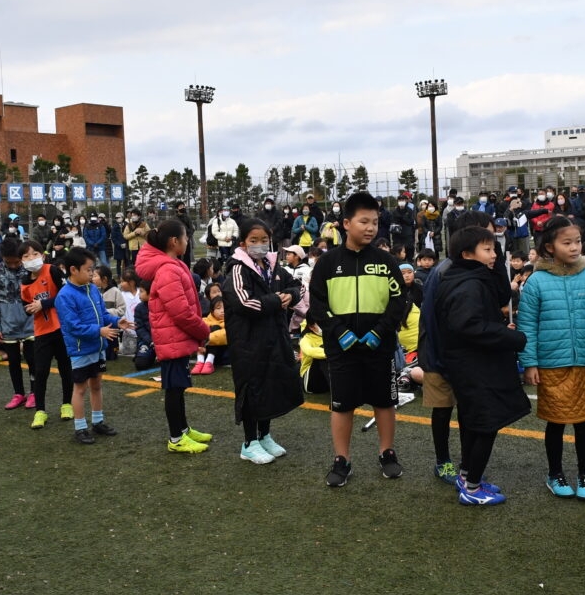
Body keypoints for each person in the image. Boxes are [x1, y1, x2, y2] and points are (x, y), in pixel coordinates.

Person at [307, 191, 409, 487]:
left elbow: (399, 300)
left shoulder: (386, 261)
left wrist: (379, 331)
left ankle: (387, 452)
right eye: (364, 221)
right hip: (342, 349)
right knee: (342, 405)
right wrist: (340, 332)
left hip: (380, 348)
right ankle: (342, 459)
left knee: (384, 402)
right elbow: (317, 303)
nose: (370, 228)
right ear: (346, 223)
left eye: (375, 222)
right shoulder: (327, 262)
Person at [426, 225, 528, 505]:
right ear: (467, 254)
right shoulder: (468, 283)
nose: (494, 254)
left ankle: (467, 476)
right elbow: (469, 325)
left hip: (469, 364)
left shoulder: (467, 277)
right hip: (474, 366)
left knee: (475, 423)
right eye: (487, 249)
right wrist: (511, 337)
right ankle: (471, 489)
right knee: (486, 423)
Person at [518, 215, 585, 499]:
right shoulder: (536, 281)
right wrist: (530, 362)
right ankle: (555, 473)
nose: (574, 247)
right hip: (551, 364)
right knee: (556, 422)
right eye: (567, 243)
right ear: (550, 247)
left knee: (584, 422)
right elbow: (527, 325)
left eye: (578, 242)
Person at [222, 217, 304, 463]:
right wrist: (277, 300)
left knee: (270, 386)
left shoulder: (272, 266)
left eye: (264, 240)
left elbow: (298, 286)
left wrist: (290, 295)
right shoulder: (238, 269)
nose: (259, 245)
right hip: (247, 342)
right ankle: (249, 442)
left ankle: (264, 435)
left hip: (274, 337)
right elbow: (244, 303)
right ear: (243, 243)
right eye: (253, 240)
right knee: (251, 388)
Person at [136, 218, 215, 453]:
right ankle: (176, 438)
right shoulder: (168, 269)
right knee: (173, 389)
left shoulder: (171, 265)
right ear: (174, 241)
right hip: (171, 339)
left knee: (178, 387)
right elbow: (181, 312)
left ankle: (183, 429)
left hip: (175, 338)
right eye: (185, 237)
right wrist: (203, 330)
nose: (187, 241)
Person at [55, 247, 123, 444]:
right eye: (88, 269)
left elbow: (103, 315)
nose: (92, 273)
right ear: (73, 270)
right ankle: (80, 428)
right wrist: (99, 331)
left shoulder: (92, 289)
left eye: (93, 269)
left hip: (97, 347)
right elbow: (73, 327)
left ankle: (98, 421)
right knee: (80, 389)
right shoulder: (64, 296)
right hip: (80, 350)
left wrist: (118, 322)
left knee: (96, 384)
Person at [19, 239, 75, 429]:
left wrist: (43, 304)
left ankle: (67, 404)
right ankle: (40, 411)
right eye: (26, 256)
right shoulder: (24, 283)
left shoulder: (52, 271)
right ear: (21, 261)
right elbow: (26, 307)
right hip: (42, 331)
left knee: (65, 368)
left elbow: (66, 294)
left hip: (61, 328)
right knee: (40, 371)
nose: (31, 258)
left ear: (42, 255)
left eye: (35, 254)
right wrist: (30, 309)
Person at [0, 236, 37, 411]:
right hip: (8, 324)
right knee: (13, 361)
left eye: (17, 262)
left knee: (32, 359)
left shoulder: (31, 270)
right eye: (9, 263)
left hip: (31, 323)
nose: (14, 266)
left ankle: (34, 392)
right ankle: (18, 393)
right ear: (2, 258)